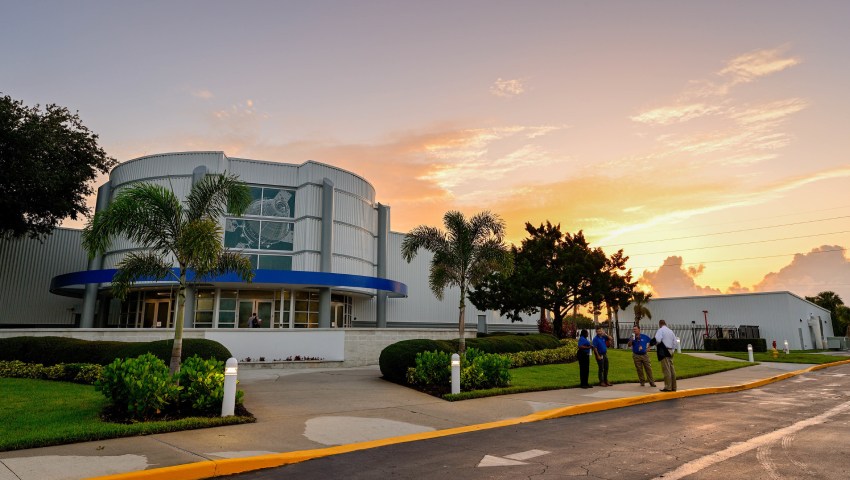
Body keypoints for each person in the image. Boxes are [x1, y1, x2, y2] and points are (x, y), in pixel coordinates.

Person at [653, 319, 677, 392]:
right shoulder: (670, 331)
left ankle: (668, 387)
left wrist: (655, 344)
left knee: (666, 369)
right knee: (672, 369)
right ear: (665, 324)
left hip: (664, 351)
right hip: (670, 350)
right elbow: (675, 342)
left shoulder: (660, 330)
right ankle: (674, 387)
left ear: (660, 324)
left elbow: (658, 340)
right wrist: (672, 350)